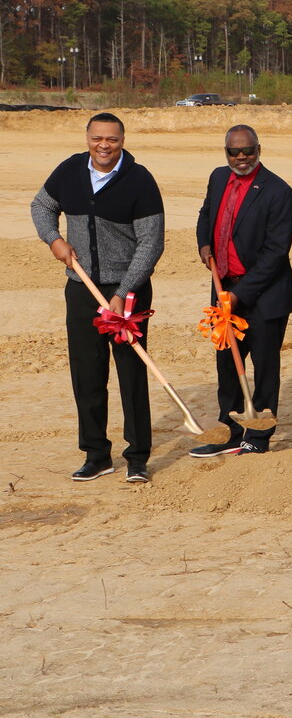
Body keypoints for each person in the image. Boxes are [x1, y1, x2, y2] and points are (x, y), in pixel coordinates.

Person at [32, 113, 164, 482]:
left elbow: (152, 243)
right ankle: (96, 454)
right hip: (82, 288)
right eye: (97, 138)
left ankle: (137, 456)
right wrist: (54, 239)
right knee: (87, 374)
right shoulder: (69, 171)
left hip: (128, 291)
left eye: (112, 139)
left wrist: (124, 292)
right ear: (87, 138)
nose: (104, 145)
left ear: (122, 140)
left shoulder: (139, 180)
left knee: (131, 372)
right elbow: (41, 206)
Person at [190, 124, 292, 456]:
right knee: (227, 367)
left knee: (264, 369)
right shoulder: (218, 178)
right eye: (233, 152)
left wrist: (240, 295)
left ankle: (258, 437)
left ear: (258, 149)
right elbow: (206, 214)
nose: (240, 157)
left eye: (247, 151)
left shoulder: (279, 191)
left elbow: (275, 253)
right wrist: (204, 246)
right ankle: (230, 432)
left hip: (264, 297)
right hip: (224, 291)